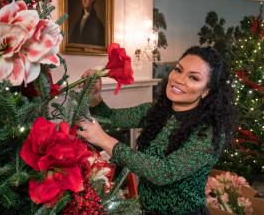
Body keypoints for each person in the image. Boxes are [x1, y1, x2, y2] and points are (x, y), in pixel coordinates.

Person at [77, 46, 236, 215]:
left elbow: (163, 173)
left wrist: (104, 140)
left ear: (206, 91)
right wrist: (94, 98)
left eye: (193, 78)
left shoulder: (209, 132)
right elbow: (111, 118)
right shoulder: (155, 111)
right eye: (178, 70)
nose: (179, 79)